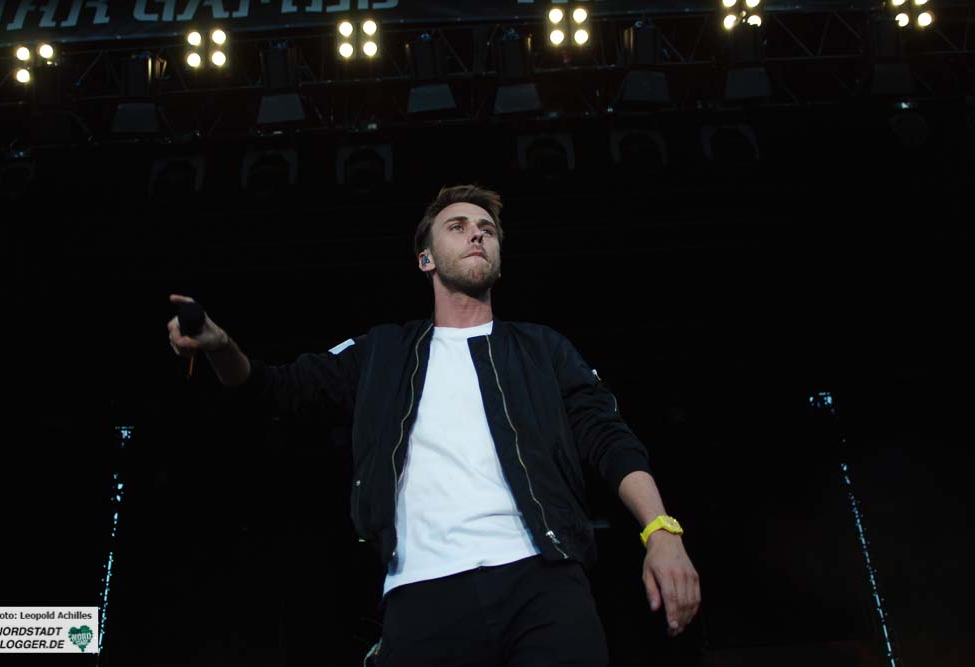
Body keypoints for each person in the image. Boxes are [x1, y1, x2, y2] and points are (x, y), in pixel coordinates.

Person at [167, 184, 700, 666]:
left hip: (544, 582)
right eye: (458, 226)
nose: (477, 235)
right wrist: (221, 347)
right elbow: (274, 389)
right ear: (426, 259)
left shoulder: (542, 348)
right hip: (422, 591)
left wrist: (661, 531)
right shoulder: (383, 352)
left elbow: (608, 438)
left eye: (486, 229)